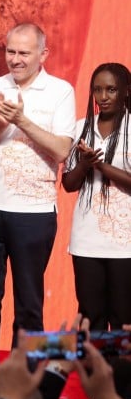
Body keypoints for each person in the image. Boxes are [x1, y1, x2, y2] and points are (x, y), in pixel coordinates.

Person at [0, 23, 77, 360]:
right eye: (10, 51)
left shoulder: (60, 91)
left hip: (34, 213)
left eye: (23, 53)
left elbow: (62, 151)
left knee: (29, 302)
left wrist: (22, 120)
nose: (14, 59)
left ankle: (24, 381)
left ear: (42, 55)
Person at [61, 62, 131, 330]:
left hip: (125, 243)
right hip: (87, 239)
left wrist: (102, 166)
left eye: (111, 89)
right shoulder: (81, 128)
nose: (103, 97)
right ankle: (94, 370)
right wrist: (84, 164)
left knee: (124, 316)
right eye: (98, 90)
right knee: (91, 316)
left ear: (125, 91)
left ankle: (120, 373)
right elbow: (68, 184)